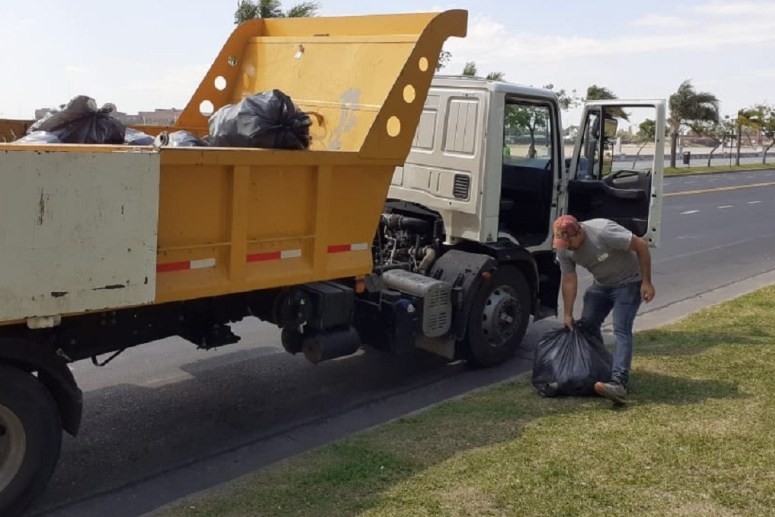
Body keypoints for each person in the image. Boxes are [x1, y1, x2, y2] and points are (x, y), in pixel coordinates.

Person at [552, 214, 655, 405]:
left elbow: (641, 245)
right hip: (602, 285)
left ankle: (619, 383)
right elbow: (568, 279)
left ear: (579, 232)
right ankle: (599, 371)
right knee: (587, 325)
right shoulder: (564, 248)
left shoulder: (603, 231)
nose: (567, 247)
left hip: (629, 282)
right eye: (561, 243)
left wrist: (647, 282)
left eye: (569, 242)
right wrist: (567, 314)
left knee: (621, 329)